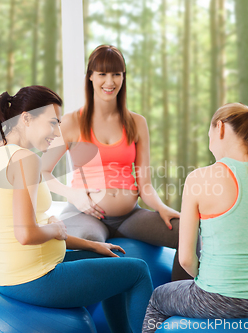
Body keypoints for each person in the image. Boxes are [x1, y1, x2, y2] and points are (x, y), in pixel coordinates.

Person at [0, 85, 153, 333]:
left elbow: (29, 225)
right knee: (138, 271)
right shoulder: (26, 160)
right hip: (33, 278)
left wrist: (93, 245)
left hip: (5, 273)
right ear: (26, 117)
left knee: (111, 257)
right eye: (52, 123)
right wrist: (57, 230)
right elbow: (26, 234)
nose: (57, 132)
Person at [142, 103, 248, 332]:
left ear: (220, 128)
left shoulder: (199, 179)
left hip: (218, 299)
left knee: (157, 299)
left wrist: (208, 282)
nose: (210, 143)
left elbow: (186, 259)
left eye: (209, 135)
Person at [41, 45, 191, 280]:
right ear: (90, 76)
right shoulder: (71, 122)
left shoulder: (137, 123)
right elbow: (44, 172)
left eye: (116, 74)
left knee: (187, 232)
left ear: (123, 77)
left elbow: (145, 185)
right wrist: (74, 195)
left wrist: (161, 207)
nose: (109, 81)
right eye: (102, 74)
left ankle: (177, 300)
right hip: (86, 213)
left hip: (129, 215)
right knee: (88, 246)